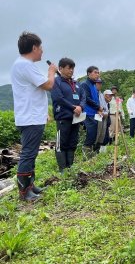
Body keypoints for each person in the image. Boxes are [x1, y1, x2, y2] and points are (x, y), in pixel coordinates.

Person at [11, 32, 58, 201]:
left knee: (31, 153)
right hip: (30, 118)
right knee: (28, 154)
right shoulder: (25, 65)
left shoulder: (22, 65)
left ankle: (30, 186)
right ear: (34, 47)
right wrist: (51, 71)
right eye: (40, 47)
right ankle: (24, 192)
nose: (42, 51)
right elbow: (48, 84)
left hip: (32, 116)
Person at [51, 57, 86, 173]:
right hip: (63, 117)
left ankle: (70, 167)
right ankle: (62, 169)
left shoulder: (76, 83)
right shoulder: (56, 82)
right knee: (61, 143)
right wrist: (73, 107)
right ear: (60, 68)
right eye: (68, 68)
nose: (71, 70)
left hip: (76, 118)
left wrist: (80, 106)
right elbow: (58, 98)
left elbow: (83, 97)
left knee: (72, 142)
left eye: (72, 68)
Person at [80, 66, 102, 157]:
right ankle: (87, 153)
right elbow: (87, 99)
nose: (97, 74)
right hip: (87, 113)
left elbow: (96, 99)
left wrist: (98, 109)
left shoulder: (93, 85)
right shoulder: (85, 84)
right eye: (95, 72)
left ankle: (91, 153)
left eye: (98, 73)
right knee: (91, 133)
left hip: (94, 113)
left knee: (95, 133)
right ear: (89, 74)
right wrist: (98, 107)